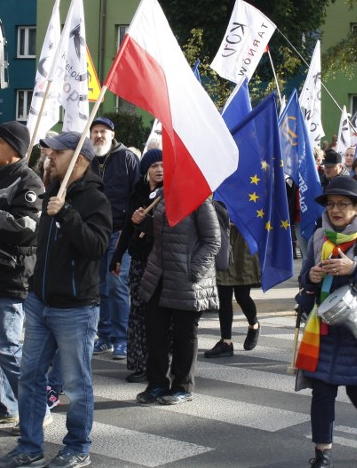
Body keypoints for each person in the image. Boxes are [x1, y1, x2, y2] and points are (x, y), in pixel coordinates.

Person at [0, 131, 111, 468]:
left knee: (76, 383)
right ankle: (29, 446)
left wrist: (68, 214)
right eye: (49, 152)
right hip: (40, 301)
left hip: (75, 308)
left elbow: (97, 248)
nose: (49, 157)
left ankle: (77, 447)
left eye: (57, 152)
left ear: (79, 158)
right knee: (30, 377)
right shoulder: (52, 191)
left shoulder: (95, 200)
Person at [296, 176, 357, 467]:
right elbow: (304, 279)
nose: (335, 210)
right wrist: (311, 277)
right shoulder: (319, 237)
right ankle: (322, 454)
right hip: (323, 327)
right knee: (322, 392)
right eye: (331, 204)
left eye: (343, 204)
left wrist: (354, 268)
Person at [0, 122, 44, 430]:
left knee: (7, 348)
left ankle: (37, 409)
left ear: (15, 147)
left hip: (12, 274)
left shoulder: (30, 181)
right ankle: (3, 406)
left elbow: (28, 227)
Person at [135, 196, 220, 406]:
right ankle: (157, 384)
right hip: (159, 276)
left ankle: (182, 386)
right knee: (155, 332)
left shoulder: (200, 200)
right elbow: (161, 235)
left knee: (184, 334)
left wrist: (193, 271)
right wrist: (144, 222)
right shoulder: (164, 198)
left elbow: (212, 241)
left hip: (187, 280)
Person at [89, 117, 140, 360]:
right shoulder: (86, 158)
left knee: (117, 284)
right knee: (100, 286)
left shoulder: (127, 158)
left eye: (103, 132)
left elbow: (136, 194)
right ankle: (105, 335)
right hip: (95, 231)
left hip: (120, 232)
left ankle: (122, 339)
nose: (99, 136)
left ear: (112, 134)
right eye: (95, 131)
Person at [110, 148, 162, 382]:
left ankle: (157, 363)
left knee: (155, 315)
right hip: (138, 260)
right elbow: (128, 228)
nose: (159, 169)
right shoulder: (138, 192)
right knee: (138, 312)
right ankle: (139, 363)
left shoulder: (168, 194)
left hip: (160, 262)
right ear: (146, 170)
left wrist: (146, 222)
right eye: (154, 166)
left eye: (162, 165)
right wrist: (118, 256)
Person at [203, 223, 261, 358]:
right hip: (223, 241)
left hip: (243, 245)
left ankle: (254, 325)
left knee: (242, 296)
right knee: (223, 296)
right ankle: (226, 341)